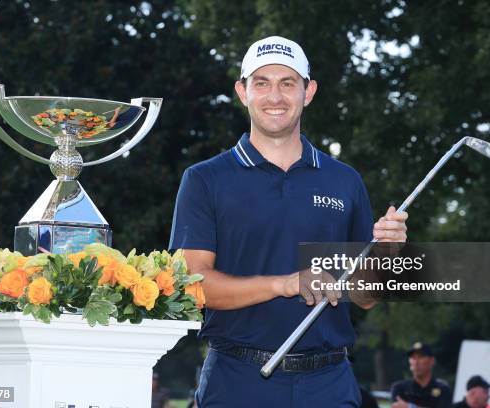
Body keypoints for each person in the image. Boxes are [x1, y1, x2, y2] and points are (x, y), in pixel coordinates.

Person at [169, 35, 409, 407]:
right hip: (238, 380)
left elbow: (368, 297)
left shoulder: (344, 180)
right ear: (242, 91)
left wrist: (389, 251)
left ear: (308, 91)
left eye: (288, 83)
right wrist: (285, 283)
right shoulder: (205, 179)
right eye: (261, 83)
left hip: (329, 384)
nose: (275, 97)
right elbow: (191, 286)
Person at [390, 342, 452, 408]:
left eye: (421, 357)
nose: (416, 362)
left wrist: (410, 407)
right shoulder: (400, 388)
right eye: (413, 358)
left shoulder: (443, 389)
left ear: (432, 361)